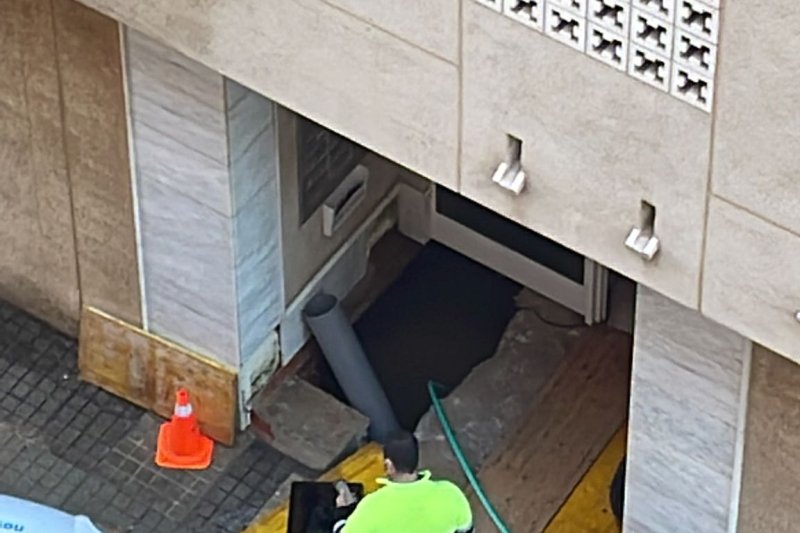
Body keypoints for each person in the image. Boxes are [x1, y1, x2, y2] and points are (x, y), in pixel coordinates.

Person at [333, 430, 474, 533]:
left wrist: (342, 512)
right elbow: (467, 530)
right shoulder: (450, 493)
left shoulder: (372, 506)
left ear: (388, 465)